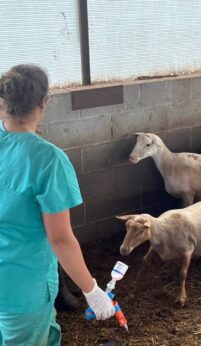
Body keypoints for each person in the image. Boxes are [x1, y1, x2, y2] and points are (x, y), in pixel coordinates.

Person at [0, 64, 115, 345]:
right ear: (44, 102)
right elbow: (61, 238)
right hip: (22, 287)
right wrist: (91, 290)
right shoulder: (49, 160)